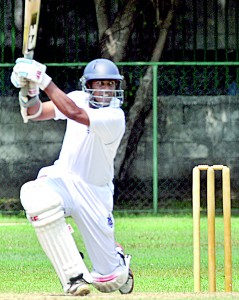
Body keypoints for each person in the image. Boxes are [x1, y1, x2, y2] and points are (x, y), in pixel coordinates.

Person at [10, 58, 134, 296]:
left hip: (95, 195)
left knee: (109, 281)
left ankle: (117, 259)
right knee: (35, 196)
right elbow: (34, 113)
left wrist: (43, 79)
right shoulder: (77, 97)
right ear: (89, 85)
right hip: (64, 179)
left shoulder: (115, 117)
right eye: (100, 84)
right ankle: (73, 276)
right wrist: (29, 90)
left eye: (110, 84)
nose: (106, 89)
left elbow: (74, 113)